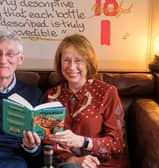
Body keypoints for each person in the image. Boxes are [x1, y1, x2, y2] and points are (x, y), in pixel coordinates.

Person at [44, 34, 129, 168]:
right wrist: (72, 159)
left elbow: (117, 143)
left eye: (78, 60)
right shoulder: (51, 96)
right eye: (66, 60)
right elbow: (47, 141)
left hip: (101, 164)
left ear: (88, 63)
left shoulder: (107, 92)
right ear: (59, 63)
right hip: (66, 164)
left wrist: (83, 141)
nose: (72, 67)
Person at [0, 31, 43, 168]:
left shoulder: (34, 95)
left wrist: (32, 147)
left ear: (21, 59)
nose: (2, 60)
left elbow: (38, 155)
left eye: (10, 54)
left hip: (14, 160)